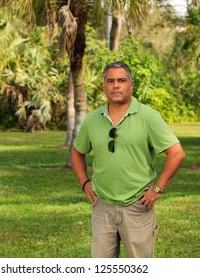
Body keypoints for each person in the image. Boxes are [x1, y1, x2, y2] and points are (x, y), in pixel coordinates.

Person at [70, 61, 186, 258]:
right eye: (111, 81)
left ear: (130, 85)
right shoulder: (92, 120)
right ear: (104, 85)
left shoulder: (149, 117)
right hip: (102, 205)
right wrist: (85, 183)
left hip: (138, 205)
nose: (116, 85)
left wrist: (157, 189)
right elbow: (76, 152)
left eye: (122, 80)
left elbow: (177, 153)